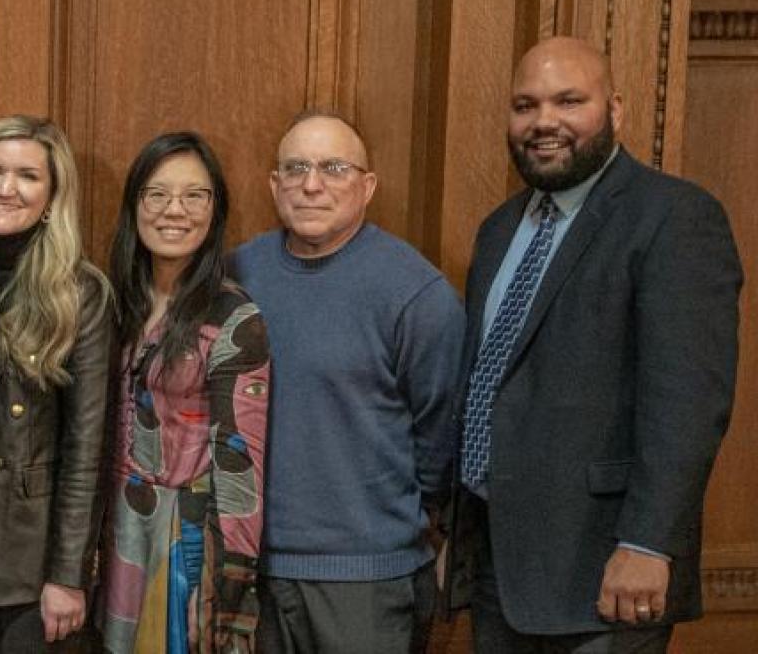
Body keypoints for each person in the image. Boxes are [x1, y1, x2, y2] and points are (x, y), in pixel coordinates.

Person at [449, 36, 743, 652]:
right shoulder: (501, 229)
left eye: (568, 101)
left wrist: (647, 542)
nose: (543, 122)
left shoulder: (672, 217)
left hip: (606, 571)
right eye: (525, 105)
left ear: (615, 111)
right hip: (503, 570)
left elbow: (687, 403)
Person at [231, 111, 464, 654]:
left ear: (368, 186)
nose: (311, 184)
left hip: (367, 581)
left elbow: (440, 437)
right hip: (246, 571)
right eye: (295, 168)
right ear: (273, 185)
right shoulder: (237, 274)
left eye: (334, 168)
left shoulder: (416, 294)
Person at [0, 115, 110, 652]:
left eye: (28, 176)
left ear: (53, 196)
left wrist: (68, 573)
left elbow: (87, 447)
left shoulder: (79, 291)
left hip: (26, 554)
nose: (6, 189)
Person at [100, 132, 269, 653]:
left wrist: (229, 589)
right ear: (134, 206)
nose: (175, 210)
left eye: (195, 195)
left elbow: (242, 463)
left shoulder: (232, 318)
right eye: (158, 194)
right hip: (111, 531)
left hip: (183, 543)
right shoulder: (111, 301)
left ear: (215, 211)